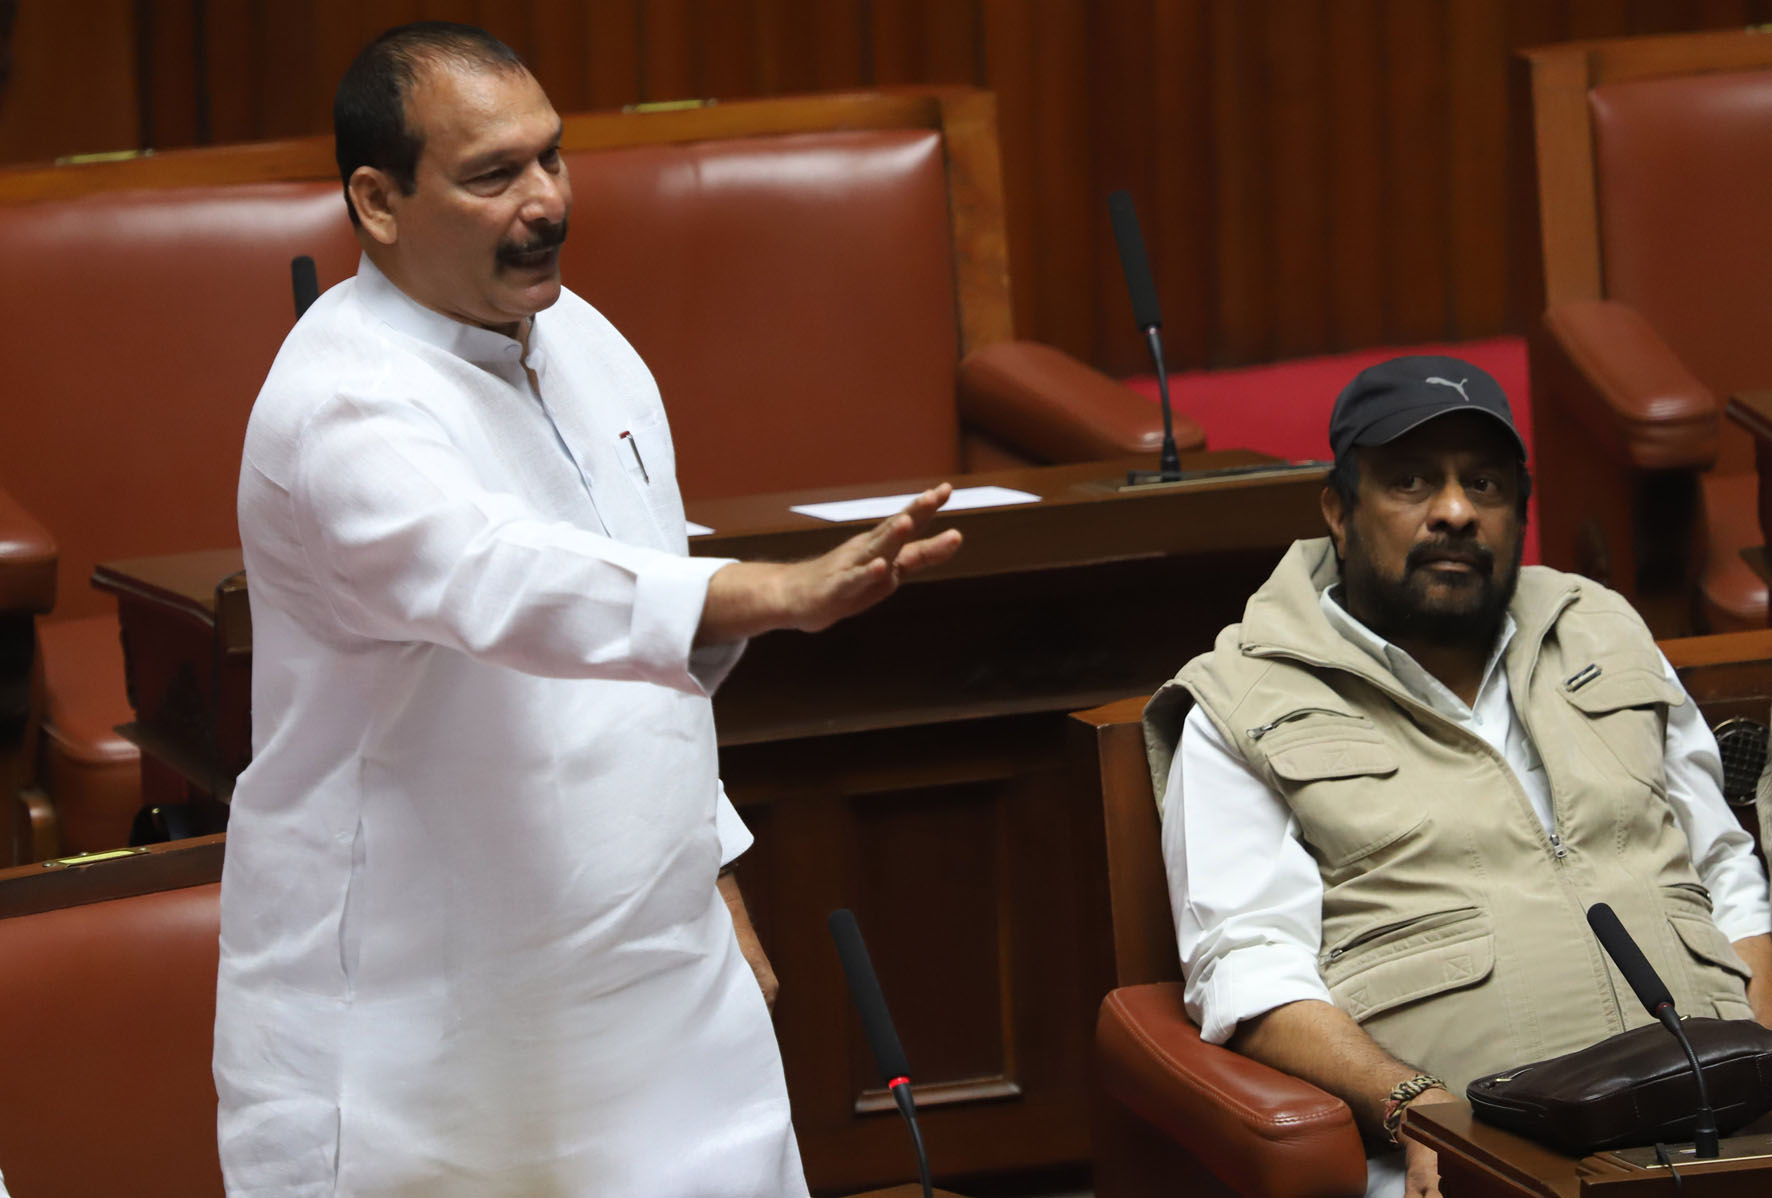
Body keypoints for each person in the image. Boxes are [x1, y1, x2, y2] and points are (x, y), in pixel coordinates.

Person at [215, 21, 961, 1197]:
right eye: (493, 175)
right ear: (377, 200)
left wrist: (711, 867)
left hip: (659, 992)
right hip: (430, 1028)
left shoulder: (587, 342)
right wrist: (773, 591)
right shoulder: (340, 407)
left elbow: (637, 656)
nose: (548, 201)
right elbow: (508, 580)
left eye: (551, 156)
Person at [1143, 355, 1772, 1198]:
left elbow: (1726, 874)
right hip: (1483, 1159)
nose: (1454, 511)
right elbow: (1248, 971)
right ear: (1338, 510)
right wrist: (1419, 1109)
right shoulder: (1247, 698)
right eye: (1410, 482)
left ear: (1521, 509)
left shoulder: (1603, 631)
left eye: (1485, 484)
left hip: (1724, 1131)